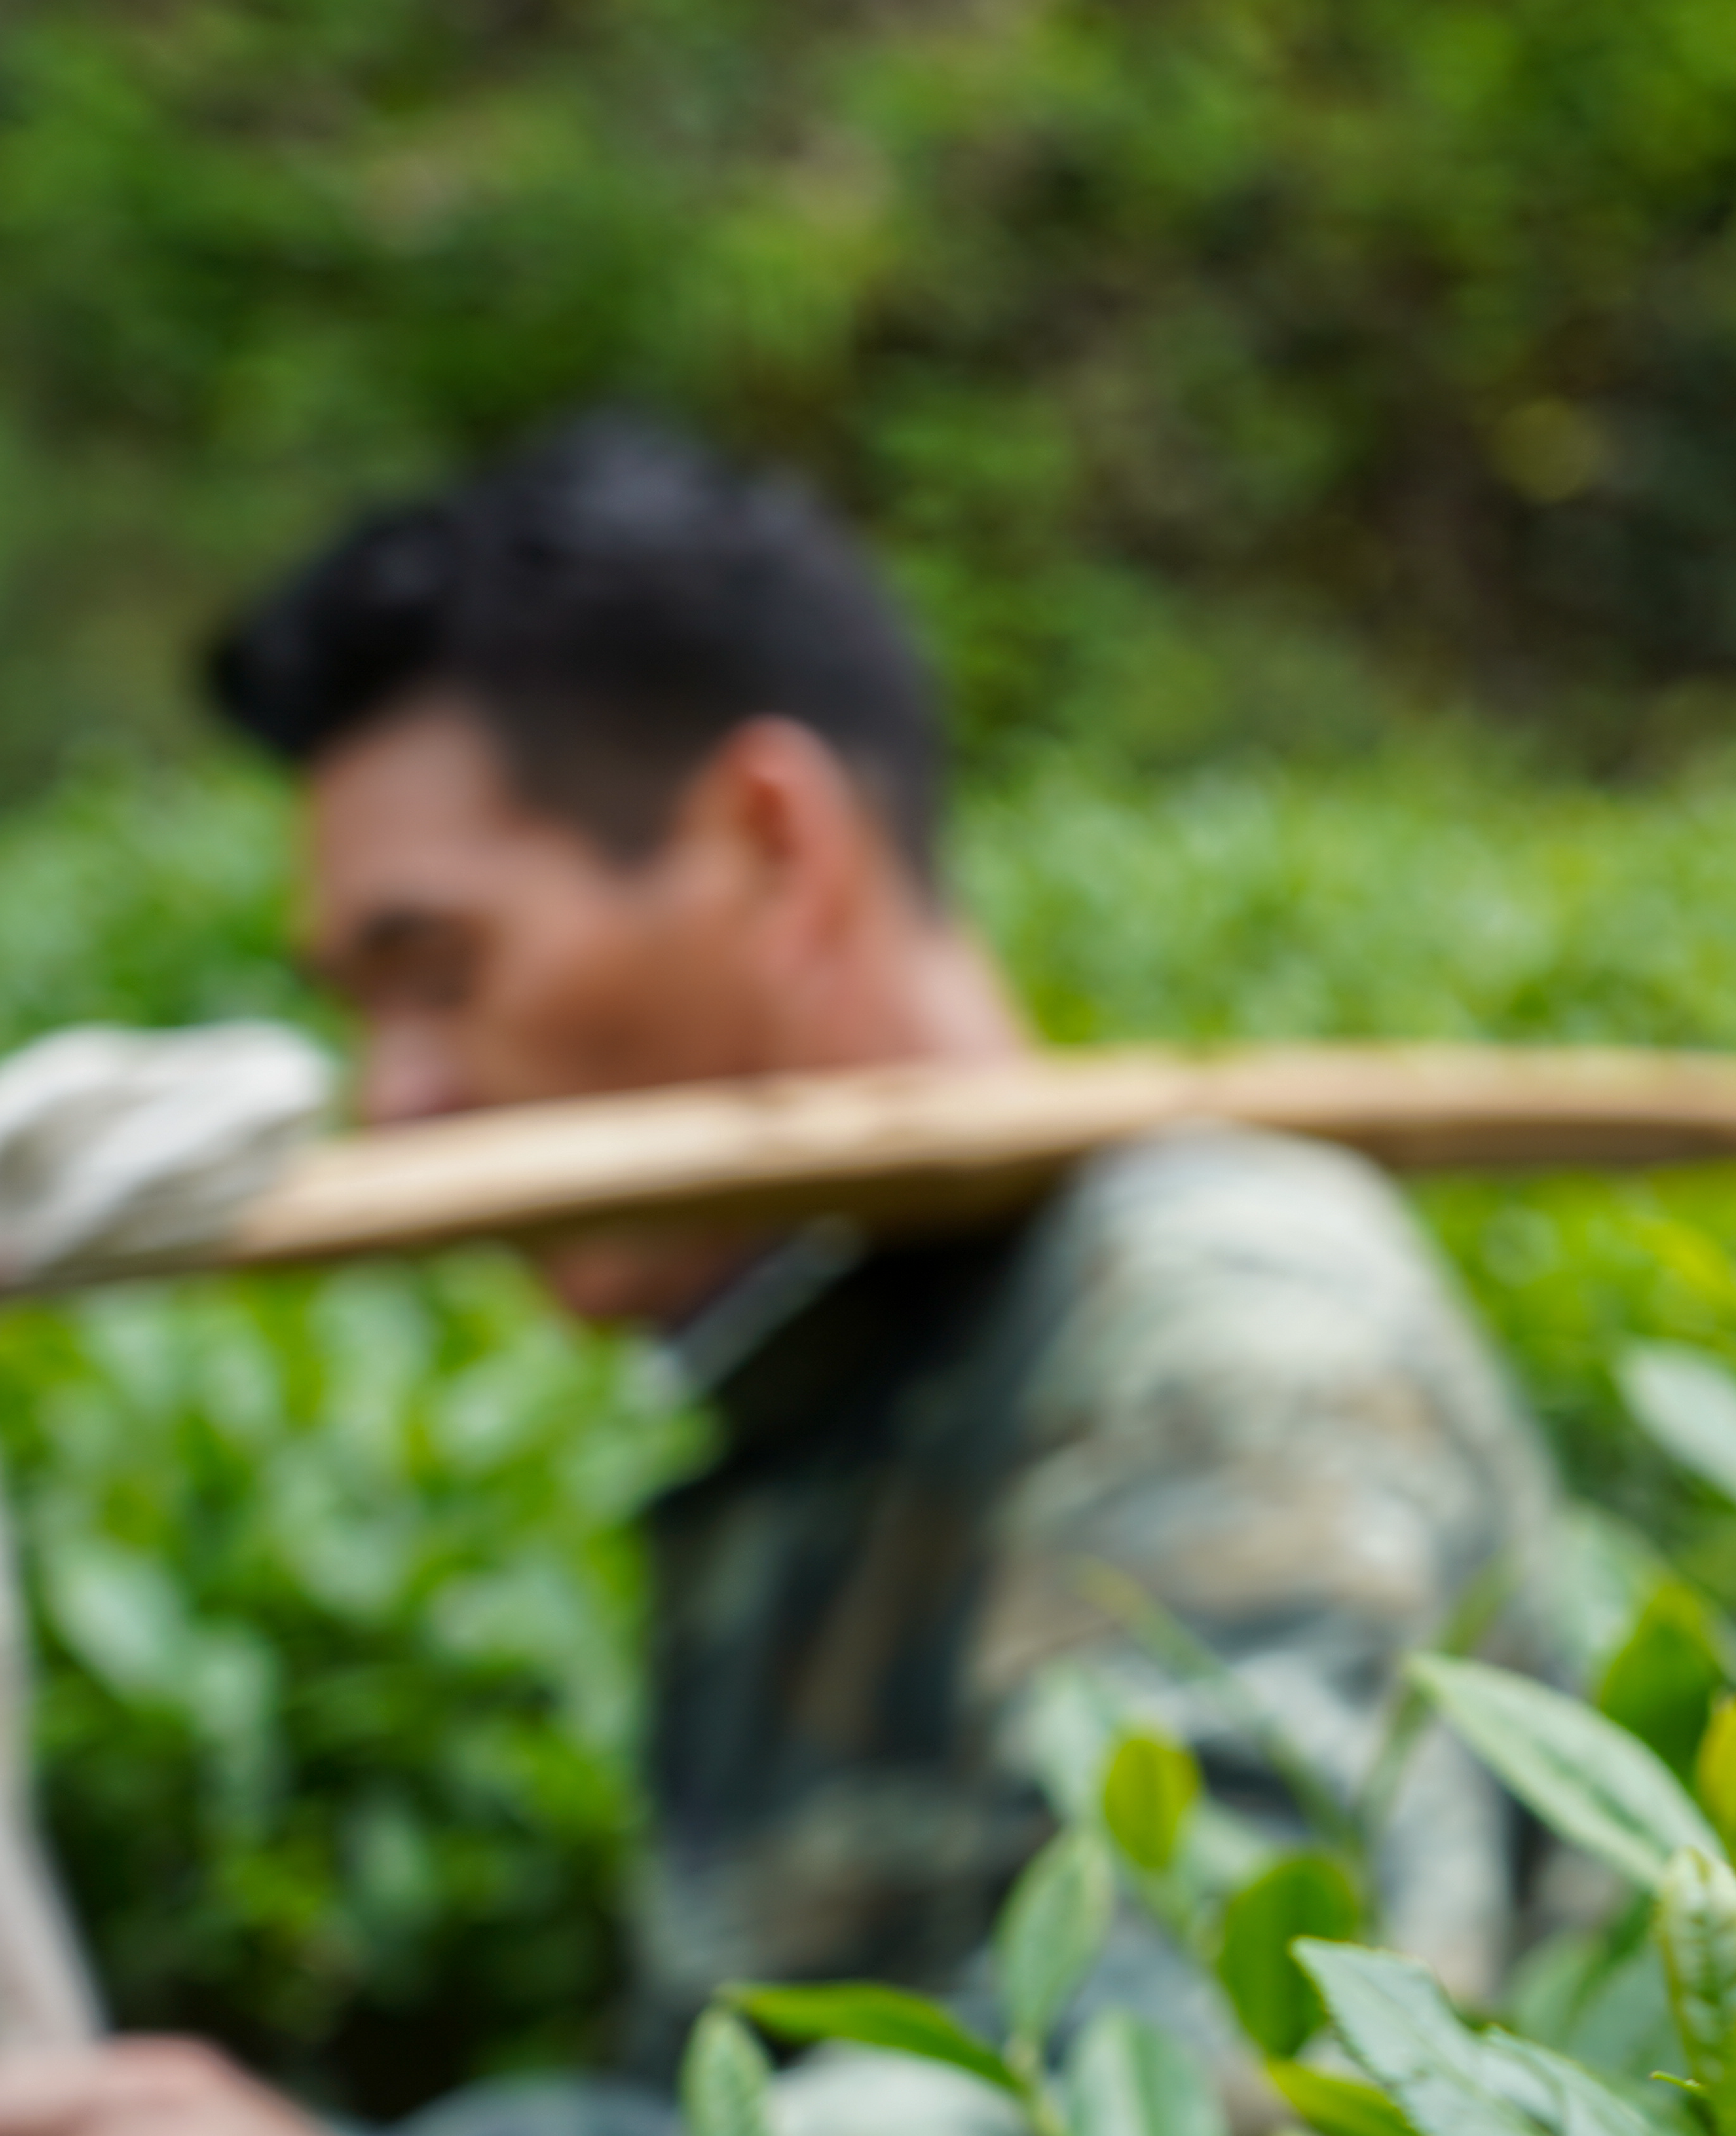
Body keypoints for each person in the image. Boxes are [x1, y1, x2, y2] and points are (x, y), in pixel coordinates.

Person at [0, 419, 1549, 2134]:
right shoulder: (832, 1386)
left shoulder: (1214, 1316)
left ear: (769, 842)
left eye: (439, 970)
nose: (398, 1099)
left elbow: (1214, 2073)